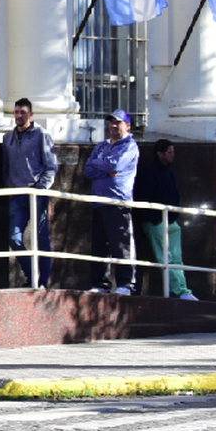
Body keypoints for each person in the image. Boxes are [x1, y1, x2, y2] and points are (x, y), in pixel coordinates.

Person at [132, 139, 198, 300]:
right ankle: (180, 291)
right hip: (156, 221)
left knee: (176, 257)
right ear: (159, 154)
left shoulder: (169, 172)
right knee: (166, 257)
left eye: (173, 152)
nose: (172, 156)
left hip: (170, 220)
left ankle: (183, 289)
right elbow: (144, 196)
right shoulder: (150, 172)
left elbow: (174, 195)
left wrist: (173, 216)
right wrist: (155, 219)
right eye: (169, 152)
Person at [83, 110, 140, 295]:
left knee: (121, 244)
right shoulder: (101, 146)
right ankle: (101, 284)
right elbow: (88, 170)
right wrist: (106, 168)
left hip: (117, 202)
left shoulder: (130, 146)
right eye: (112, 123)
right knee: (100, 245)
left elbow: (116, 166)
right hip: (98, 201)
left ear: (127, 126)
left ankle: (126, 285)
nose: (114, 126)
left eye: (118, 122)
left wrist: (104, 165)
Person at [2, 98, 56, 289]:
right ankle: (32, 275)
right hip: (17, 194)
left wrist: (40, 188)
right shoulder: (7, 138)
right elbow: (6, 167)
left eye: (23, 112)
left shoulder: (41, 134)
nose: (19, 116)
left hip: (37, 193)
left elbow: (51, 166)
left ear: (31, 114)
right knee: (15, 238)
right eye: (16, 112)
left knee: (42, 238)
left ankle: (43, 282)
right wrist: (10, 187)